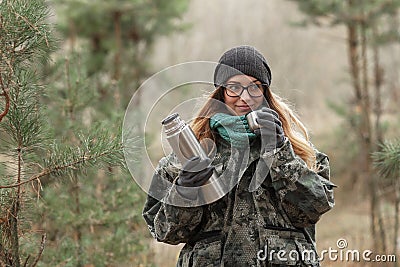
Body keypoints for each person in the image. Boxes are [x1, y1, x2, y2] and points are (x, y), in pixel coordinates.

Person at [143, 45, 335, 266]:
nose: (245, 97)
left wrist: (280, 151)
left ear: (265, 92)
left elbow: (313, 209)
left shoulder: (300, 150)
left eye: (254, 87)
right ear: (221, 92)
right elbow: (162, 231)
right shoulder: (188, 155)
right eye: (234, 87)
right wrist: (184, 192)